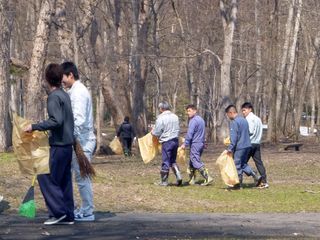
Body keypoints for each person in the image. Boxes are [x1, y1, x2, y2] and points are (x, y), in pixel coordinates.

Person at [24, 63, 75, 225]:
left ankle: (58, 212)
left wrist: (34, 126)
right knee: (64, 180)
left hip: (59, 145)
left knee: (44, 175)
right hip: (68, 145)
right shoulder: (65, 95)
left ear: (47, 79)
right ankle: (68, 215)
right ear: (61, 78)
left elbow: (56, 120)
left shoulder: (53, 97)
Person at [61, 62, 96, 221]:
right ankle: (76, 207)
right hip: (77, 140)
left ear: (70, 75)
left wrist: (70, 136)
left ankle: (88, 211)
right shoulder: (73, 91)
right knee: (74, 176)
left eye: (63, 77)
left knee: (83, 178)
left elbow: (79, 119)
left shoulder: (79, 92)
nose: (62, 81)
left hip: (82, 141)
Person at [225, 105, 260, 189]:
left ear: (231, 113)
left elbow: (234, 138)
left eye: (227, 115)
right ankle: (255, 175)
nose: (227, 117)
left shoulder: (234, 122)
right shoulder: (244, 120)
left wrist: (230, 148)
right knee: (243, 164)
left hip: (240, 147)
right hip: (248, 145)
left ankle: (238, 184)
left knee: (237, 164)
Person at [181, 104, 213, 186]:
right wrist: (204, 142)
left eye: (189, 111)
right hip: (200, 143)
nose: (188, 113)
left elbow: (190, 134)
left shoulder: (193, 121)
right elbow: (203, 132)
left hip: (195, 143)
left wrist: (185, 144)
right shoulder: (201, 120)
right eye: (187, 111)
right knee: (192, 162)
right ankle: (192, 180)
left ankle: (208, 177)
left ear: (195, 111)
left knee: (195, 161)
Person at [151, 101, 182, 186]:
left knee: (165, 161)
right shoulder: (175, 117)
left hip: (167, 141)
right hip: (175, 140)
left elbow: (156, 132)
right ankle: (178, 174)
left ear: (161, 109)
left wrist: (152, 132)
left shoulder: (161, 118)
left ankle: (164, 181)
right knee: (173, 160)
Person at [241, 102, 268, 188]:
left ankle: (240, 180)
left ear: (250, 109)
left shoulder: (249, 119)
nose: (243, 112)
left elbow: (250, 131)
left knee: (241, 162)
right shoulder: (258, 119)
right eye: (242, 111)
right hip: (257, 144)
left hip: (249, 144)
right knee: (259, 163)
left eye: (244, 110)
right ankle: (264, 182)